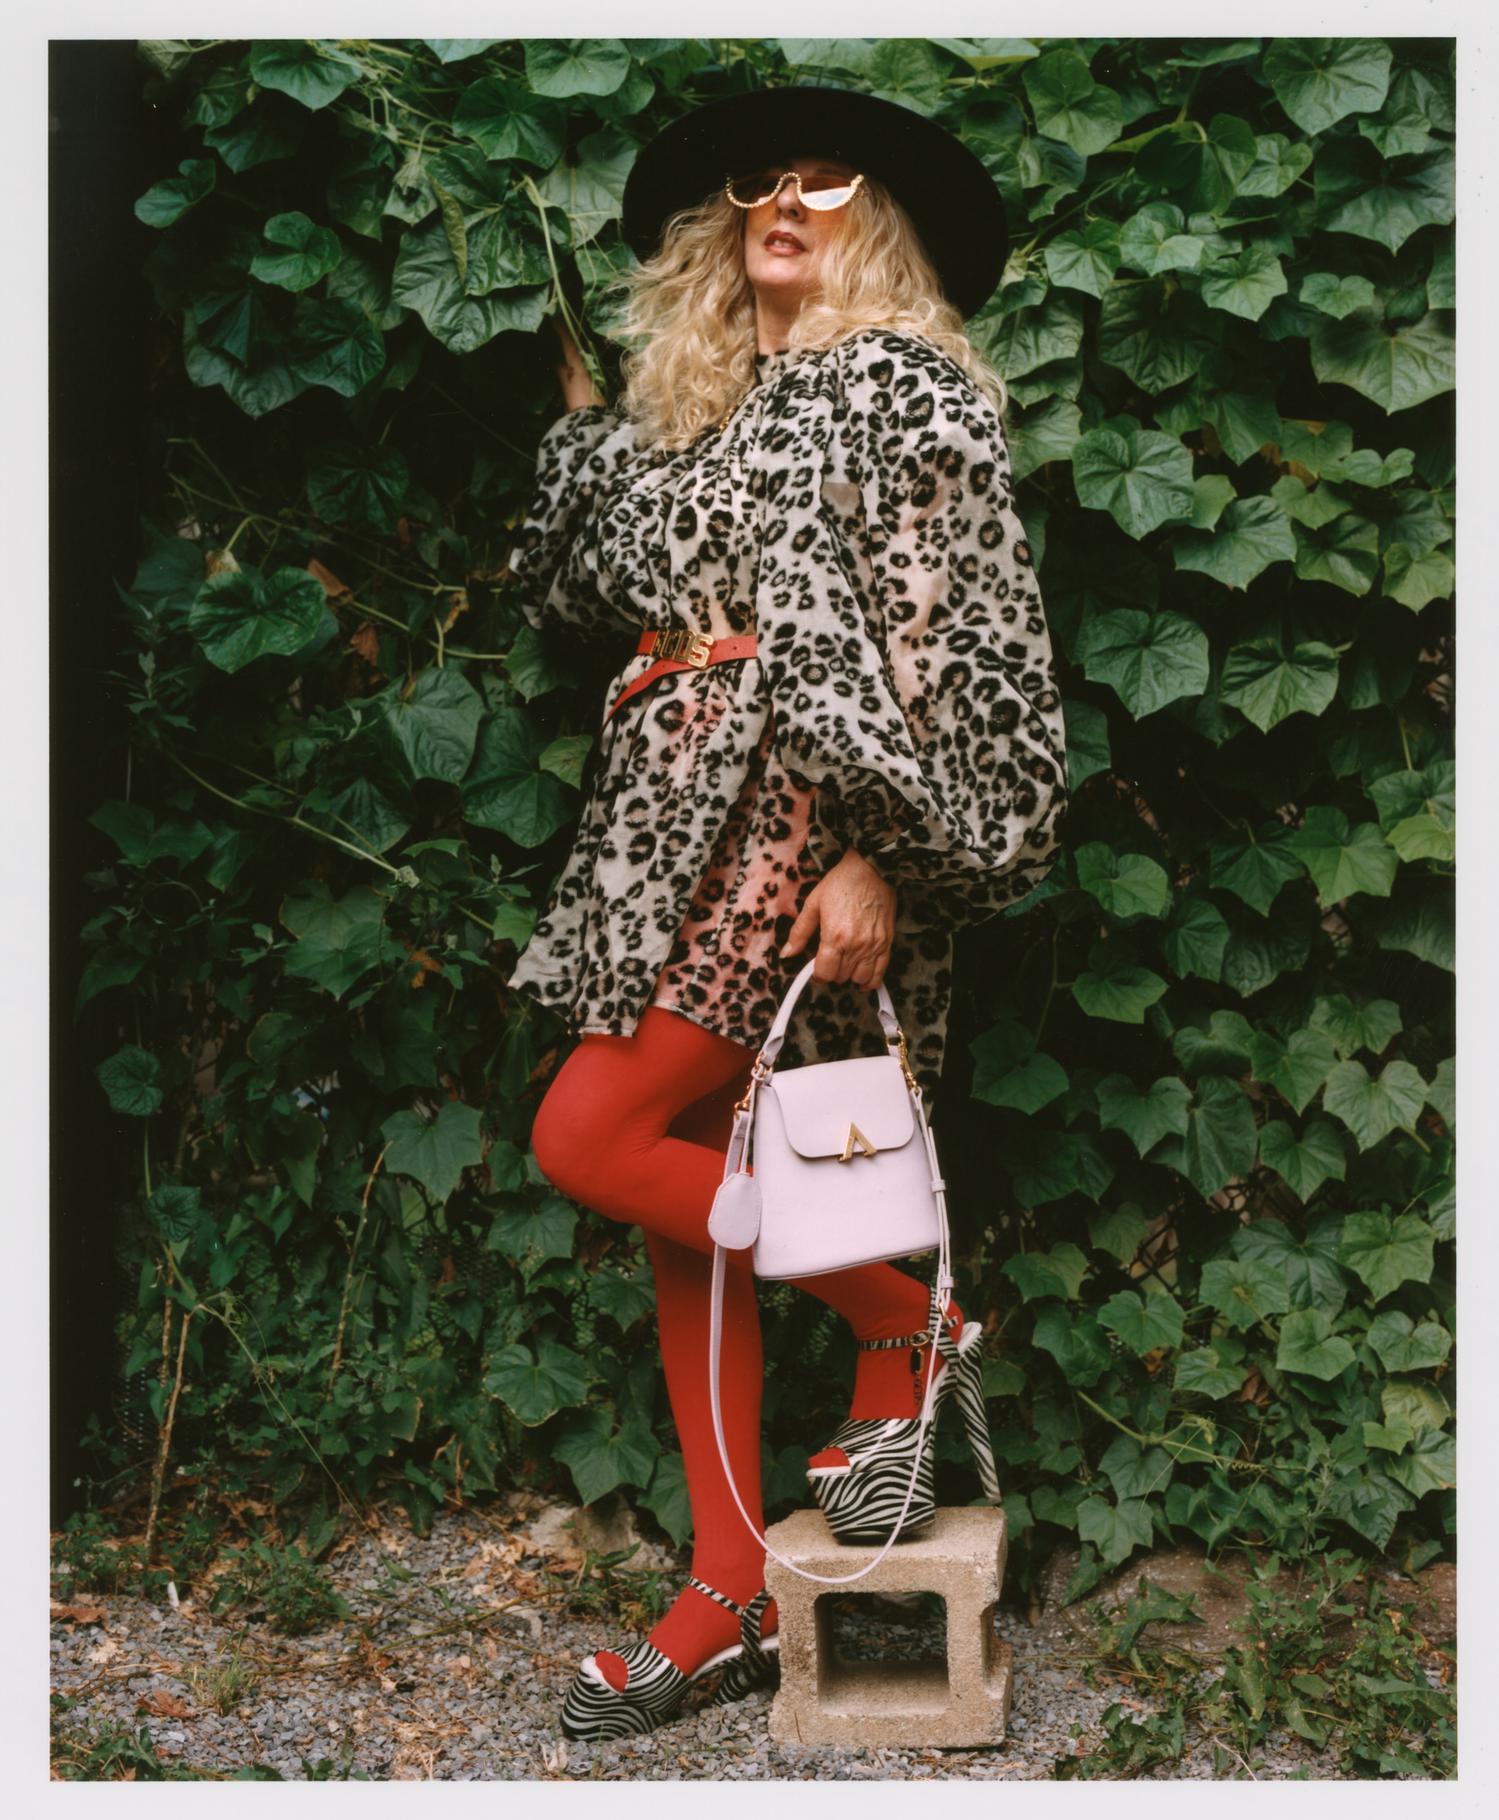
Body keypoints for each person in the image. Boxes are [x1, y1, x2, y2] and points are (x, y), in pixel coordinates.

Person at [501, 85, 1069, 1743]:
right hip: (656, 826)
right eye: (761, 182)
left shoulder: (901, 388)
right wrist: (593, 434)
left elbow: (958, 644)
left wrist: (881, 850)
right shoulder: (694, 413)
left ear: (875, 220)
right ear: (719, 224)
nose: (788, 200)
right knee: (689, 1217)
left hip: (790, 820)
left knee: (589, 1134)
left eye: (828, 181)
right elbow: (573, 588)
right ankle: (726, 1588)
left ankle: (909, 1319)